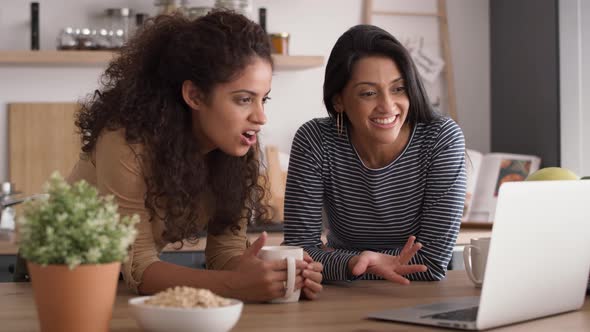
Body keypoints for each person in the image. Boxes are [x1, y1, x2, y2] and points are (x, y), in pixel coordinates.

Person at [67, 11, 323, 301]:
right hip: (56, 280)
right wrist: (236, 285)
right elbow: (139, 265)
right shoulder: (126, 141)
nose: (260, 117)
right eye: (243, 99)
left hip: (122, 294)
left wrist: (277, 274)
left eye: (264, 99)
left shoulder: (238, 146)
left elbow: (225, 253)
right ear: (195, 95)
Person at [283, 24, 466, 283]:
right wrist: (355, 263)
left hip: (417, 296)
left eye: (398, 88)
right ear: (339, 101)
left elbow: (433, 262)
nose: (388, 106)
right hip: (341, 297)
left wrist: (353, 261)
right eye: (369, 93)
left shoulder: (441, 138)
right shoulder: (315, 140)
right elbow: (298, 253)